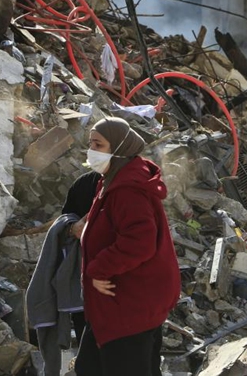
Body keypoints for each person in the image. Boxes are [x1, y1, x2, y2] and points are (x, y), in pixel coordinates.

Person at [75, 117, 180, 376]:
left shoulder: (127, 190)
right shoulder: (114, 178)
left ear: (119, 147)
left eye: (98, 144)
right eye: (90, 144)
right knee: (89, 367)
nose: (91, 151)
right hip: (119, 305)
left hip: (129, 307)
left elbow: (139, 241)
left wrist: (99, 269)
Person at [27, 171, 100, 376]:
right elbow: (67, 217)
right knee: (90, 351)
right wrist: (70, 229)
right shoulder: (87, 183)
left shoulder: (127, 189)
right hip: (83, 285)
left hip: (119, 291)